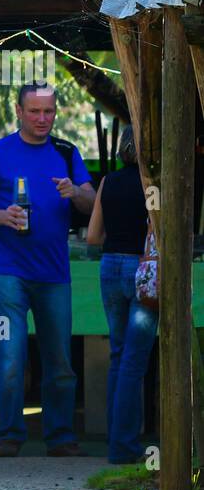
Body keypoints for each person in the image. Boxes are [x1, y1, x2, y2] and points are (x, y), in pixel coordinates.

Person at [0, 83, 94, 457]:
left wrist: (77, 192)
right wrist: (1, 215)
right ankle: (8, 434)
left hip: (55, 273)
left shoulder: (67, 153)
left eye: (49, 112)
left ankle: (61, 436)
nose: (43, 119)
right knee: (9, 356)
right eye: (35, 111)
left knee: (60, 360)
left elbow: (91, 203)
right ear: (19, 111)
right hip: (8, 271)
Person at [87, 127, 157, 464]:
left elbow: (92, 237)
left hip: (109, 266)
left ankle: (117, 441)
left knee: (118, 355)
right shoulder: (153, 185)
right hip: (141, 270)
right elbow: (159, 230)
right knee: (134, 362)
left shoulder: (107, 182)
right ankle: (124, 446)